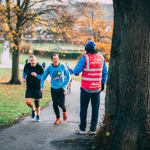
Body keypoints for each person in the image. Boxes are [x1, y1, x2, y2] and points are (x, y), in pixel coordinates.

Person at [69, 41, 108, 134]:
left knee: (84, 108)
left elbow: (76, 72)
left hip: (86, 88)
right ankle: (93, 129)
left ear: (86, 49)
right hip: (97, 89)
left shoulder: (85, 58)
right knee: (95, 109)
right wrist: (102, 84)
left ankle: (82, 129)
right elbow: (105, 73)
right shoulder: (101, 58)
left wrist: (69, 69)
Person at [35, 54, 70, 125]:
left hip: (61, 88)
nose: (56, 60)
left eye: (57, 58)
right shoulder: (49, 68)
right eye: (54, 59)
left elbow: (68, 76)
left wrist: (64, 86)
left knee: (61, 103)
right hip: (53, 88)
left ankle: (64, 111)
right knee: (54, 104)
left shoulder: (63, 66)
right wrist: (42, 86)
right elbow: (43, 78)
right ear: (52, 60)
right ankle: (58, 118)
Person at [23, 55, 44, 121]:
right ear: (29, 61)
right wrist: (23, 77)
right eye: (31, 61)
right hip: (29, 86)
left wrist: (36, 75)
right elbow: (24, 72)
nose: (32, 62)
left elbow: (43, 78)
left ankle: (38, 115)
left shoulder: (39, 67)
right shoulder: (27, 65)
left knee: (37, 102)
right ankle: (33, 109)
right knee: (27, 102)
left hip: (37, 87)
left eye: (34, 60)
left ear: (36, 60)